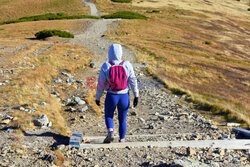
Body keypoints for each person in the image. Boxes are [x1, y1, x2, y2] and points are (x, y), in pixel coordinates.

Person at [95, 44, 139, 143]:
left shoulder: (106, 65)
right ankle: (122, 140)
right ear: (121, 52)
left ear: (109, 53)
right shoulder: (127, 64)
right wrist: (136, 95)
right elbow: (133, 80)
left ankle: (111, 131)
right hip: (124, 96)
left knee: (108, 115)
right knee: (122, 119)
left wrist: (98, 98)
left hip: (111, 96)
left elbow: (100, 84)